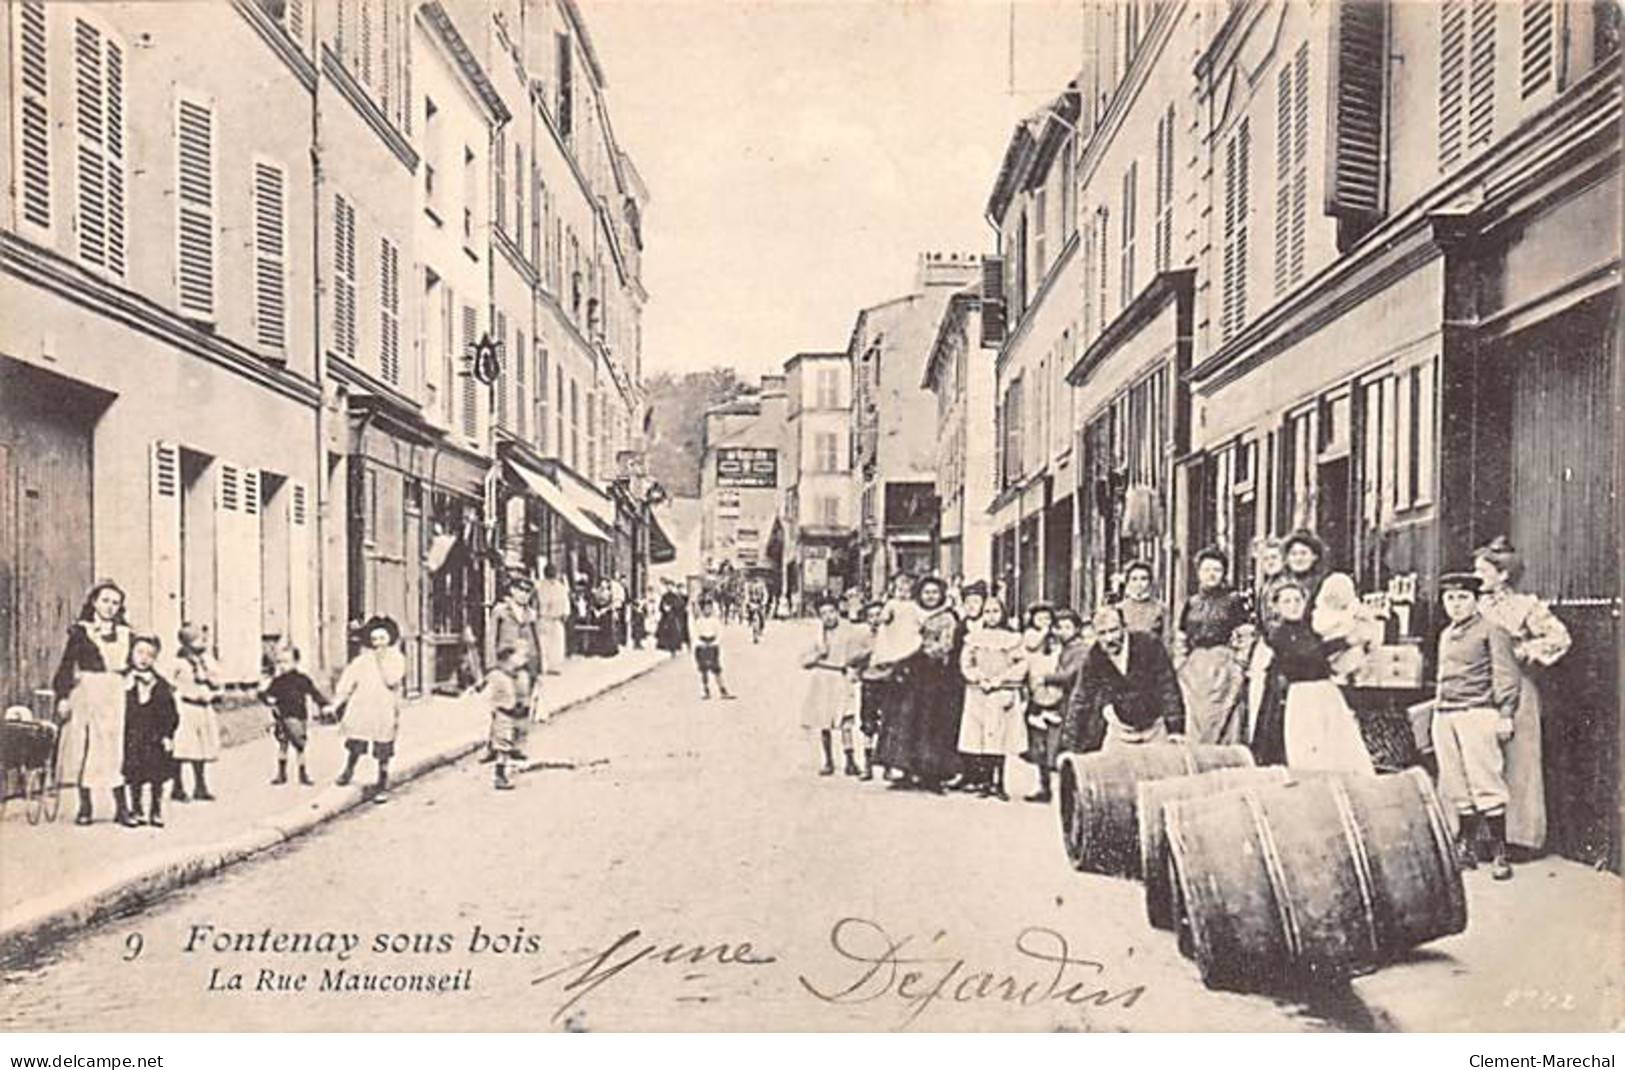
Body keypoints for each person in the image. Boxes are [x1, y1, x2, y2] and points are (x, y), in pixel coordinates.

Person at [1473, 536, 1570, 858]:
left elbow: (1559, 637)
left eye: (1483, 570)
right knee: (1484, 762)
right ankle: (1487, 839)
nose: (1478, 576)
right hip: (1481, 688)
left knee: (1520, 761)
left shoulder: (1526, 605)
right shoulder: (1476, 606)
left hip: (1518, 689)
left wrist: (1524, 651)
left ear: (1502, 574)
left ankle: (1521, 838)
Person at [1433, 571, 1522, 880]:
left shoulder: (1492, 630)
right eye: (1450, 598)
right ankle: (1466, 848)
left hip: (1477, 713)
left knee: (1486, 783)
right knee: (1456, 784)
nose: (1456, 605)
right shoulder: (1446, 634)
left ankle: (1500, 853)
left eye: (1462, 598)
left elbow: (1506, 675)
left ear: (1476, 600)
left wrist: (1506, 713)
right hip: (1446, 713)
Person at [1267, 583, 1375, 775]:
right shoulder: (1279, 635)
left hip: (1326, 693)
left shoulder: (1312, 630)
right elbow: (1307, 656)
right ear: (1276, 606)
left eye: (1297, 600)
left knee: (1337, 749)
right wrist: (1345, 641)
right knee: (1309, 751)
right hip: (1303, 696)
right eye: (1287, 601)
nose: (1293, 605)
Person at [52, 580, 134, 826]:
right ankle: (85, 808)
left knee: (116, 748)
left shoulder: (126, 634)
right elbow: (67, 665)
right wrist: (63, 696)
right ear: (94, 603)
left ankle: (122, 809)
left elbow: (137, 663)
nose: (109, 607)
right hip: (88, 692)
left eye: (115, 603)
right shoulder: (81, 632)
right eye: (105, 601)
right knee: (85, 748)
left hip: (117, 693)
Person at [875, 577, 962, 792]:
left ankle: (931, 775)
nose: (930, 597)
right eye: (926, 593)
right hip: (911, 675)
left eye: (934, 592)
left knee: (931, 724)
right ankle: (906, 770)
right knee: (906, 721)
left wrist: (921, 650)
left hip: (937, 677)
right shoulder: (911, 612)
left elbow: (946, 644)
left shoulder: (947, 617)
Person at [1060, 605, 1186, 754]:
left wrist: (1175, 727)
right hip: (1121, 730)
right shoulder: (1094, 657)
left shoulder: (1149, 644)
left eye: (1114, 630)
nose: (1109, 638)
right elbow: (1082, 698)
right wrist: (1071, 745)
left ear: (1124, 627)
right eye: (1102, 633)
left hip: (1155, 727)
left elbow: (1168, 686)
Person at [328, 615, 407, 803]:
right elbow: (348, 680)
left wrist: (382, 661)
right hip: (362, 705)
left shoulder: (396, 659)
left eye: (382, 638)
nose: (378, 643)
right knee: (356, 740)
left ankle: (382, 783)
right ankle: (348, 770)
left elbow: (391, 679)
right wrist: (337, 702)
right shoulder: (363, 660)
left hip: (384, 707)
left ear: (390, 638)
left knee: (383, 748)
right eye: (374, 639)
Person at [956, 597, 1028, 800]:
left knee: (1000, 737)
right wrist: (979, 678)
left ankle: (1000, 782)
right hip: (979, 692)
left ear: (1003, 613)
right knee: (980, 738)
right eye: (987, 612)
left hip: (1001, 691)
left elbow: (1021, 664)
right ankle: (985, 781)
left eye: (995, 611)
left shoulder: (1012, 638)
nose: (991, 616)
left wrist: (1000, 680)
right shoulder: (974, 638)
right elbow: (966, 663)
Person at [1176, 548, 1249, 745]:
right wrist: (1181, 664)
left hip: (1222, 665)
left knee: (1223, 716)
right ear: (1198, 573)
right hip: (1195, 669)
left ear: (1224, 573)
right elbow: (1181, 637)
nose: (1211, 574)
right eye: (1207, 569)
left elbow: (1244, 636)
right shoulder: (1191, 603)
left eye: (1217, 570)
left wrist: (1239, 665)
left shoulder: (1233, 601)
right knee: (1196, 717)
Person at [800, 596, 867, 777]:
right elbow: (803, 661)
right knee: (824, 720)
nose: (828, 617)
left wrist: (856, 669)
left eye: (831, 612)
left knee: (846, 719)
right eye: (823, 613)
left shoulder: (850, 631)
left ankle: (850, 761)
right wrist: (818, 656)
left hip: (841, 676)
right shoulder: (817, 635)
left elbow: (864, 651)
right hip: (822, 677)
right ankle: (828, 760)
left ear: (838, 611)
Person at [120, 633, 177, 829]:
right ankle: (136, 808)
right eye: (140, 652)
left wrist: (168, 735)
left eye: (150, 654)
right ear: (131, 654)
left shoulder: (160, 684)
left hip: (154, 736)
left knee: (157, 774)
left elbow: (170, 712)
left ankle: (156, 809)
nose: (144, 658)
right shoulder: (124, 681)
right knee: (134, 774)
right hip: (132, 735)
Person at [259, 643, 327, 787]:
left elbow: (314, 693)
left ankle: (303, 774)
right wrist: (266, 697)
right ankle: (281, 773)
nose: (282, 665)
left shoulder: (302, 679)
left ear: (296, 662)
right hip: (282, 717)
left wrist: (324, 705)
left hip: (299, 716)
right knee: (283, 745)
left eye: (286, 661)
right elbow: (267, 695)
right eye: (279, 662)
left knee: (300, 745)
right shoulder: (277, 681)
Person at [1246, 536, 1289, 756]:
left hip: (1281, 648)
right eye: (1266, 559)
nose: (1270, 562)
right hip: (1267, 645)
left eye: (1274, 557)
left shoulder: (1285, 585)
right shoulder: (1266, 585)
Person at [169, 622, 221, 803]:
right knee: (182, 748)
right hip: (185, 709)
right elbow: (169, 681)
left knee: (202, 748)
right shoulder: (179, 662)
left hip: (203, 709)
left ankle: (200, 785)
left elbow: (217, 678)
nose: (204, 643)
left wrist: (213, 686)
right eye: (200, 639)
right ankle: (178, 787)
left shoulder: (207, 660)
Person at [1022, 608, 1067, 803]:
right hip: (1035, 693)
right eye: (1039, 618)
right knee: (1037, 744)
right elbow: (1031, 645)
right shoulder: (1030, 637)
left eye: (1048, 618)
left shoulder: (1057, 643)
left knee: (1054, 744)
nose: (1044, 622)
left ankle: (1059, 787)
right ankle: (1043, 785)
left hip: (1055, 694)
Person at [482, 644, 527, 791]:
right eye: (517, 657)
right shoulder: (496, 675)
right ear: (507, 659)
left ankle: (499, 765)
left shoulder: (511, 675)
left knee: (507, 744)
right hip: (502, 713)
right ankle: (499, 776)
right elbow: (485, 693)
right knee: (503, 746)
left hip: (510, 713)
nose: (521, 661)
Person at [692, 599, 734, 699]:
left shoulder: (715, 621)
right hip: (702, 646)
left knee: (716, 668)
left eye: (709, 608)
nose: (708, 610)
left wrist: (714, 643)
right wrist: (701, 643)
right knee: (703, 670)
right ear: (702, 610)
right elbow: (695, 634)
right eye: (706, 608)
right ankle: (706, 690)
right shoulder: (699, 621)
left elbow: (719, 633)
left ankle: (723, 690)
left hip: (712, 645)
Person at [1118, 561, 1166, 641]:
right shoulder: (1119, 609)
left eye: (1144, 579)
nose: (1139, 584)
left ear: (1150, 582)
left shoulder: (1161, 609)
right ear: (1127, 582)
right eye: (1134, 579)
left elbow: (1167, 640)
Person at [536, 564, 571, 673]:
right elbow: (566, 604)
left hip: (545, 618)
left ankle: (545, 666)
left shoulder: (539, 586)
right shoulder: (561, 587)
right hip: (554, 619)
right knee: (555, 644)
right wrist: (565, 615)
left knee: (544, 643)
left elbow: (535, 603)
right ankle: (553, 666)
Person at [656, 583, 688, 656]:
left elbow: (679, 605)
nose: (669, 588)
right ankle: (665, 646)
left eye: (671, 586)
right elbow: (660, 606)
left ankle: (673, 648)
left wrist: (671, 608)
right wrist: (664, 608)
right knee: (664, 631)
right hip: (665, 616)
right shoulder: (664, 596)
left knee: (674, 633)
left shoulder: (675, 596)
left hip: (673, 616)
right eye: (668, 586)